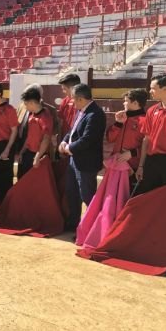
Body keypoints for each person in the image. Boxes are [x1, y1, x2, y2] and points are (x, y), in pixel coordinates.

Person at [59, 83, 106, 231]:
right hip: (75, 160)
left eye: (73, 99)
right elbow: (73, 131)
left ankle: (93, 228)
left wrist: (69, 148)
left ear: (80, 99)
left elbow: (88, 139)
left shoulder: (96, 114)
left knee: (87, 195)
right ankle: (74, 224)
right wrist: (64, 140)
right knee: (72, 192)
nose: (71, 102)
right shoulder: (82, 111)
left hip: (86, 162)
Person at [106, 88, 148, 177]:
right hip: (116, 164)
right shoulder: (122, 117)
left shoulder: (145, 121)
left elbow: (150, 146)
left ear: (135, 103)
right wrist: (118, 123)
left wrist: (132, 153)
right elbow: (110, 139)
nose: (123, 103)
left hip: (133, 167)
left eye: (126, 101)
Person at [17, 85, 53, 179]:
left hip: (39, 155)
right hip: (28, 153)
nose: (25, 107)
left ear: (32, 103)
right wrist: (22, 151)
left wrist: (38, 156)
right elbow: (30, 136)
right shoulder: (32, 115)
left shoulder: (45, 116)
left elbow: (46, 139)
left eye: (26, 104)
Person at [57, 73, 81, 140]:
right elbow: (60, 122)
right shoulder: (65, 101)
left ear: (72, 88)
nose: (63, 92)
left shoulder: (83, 103)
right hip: (65, 141)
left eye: (64, 89)